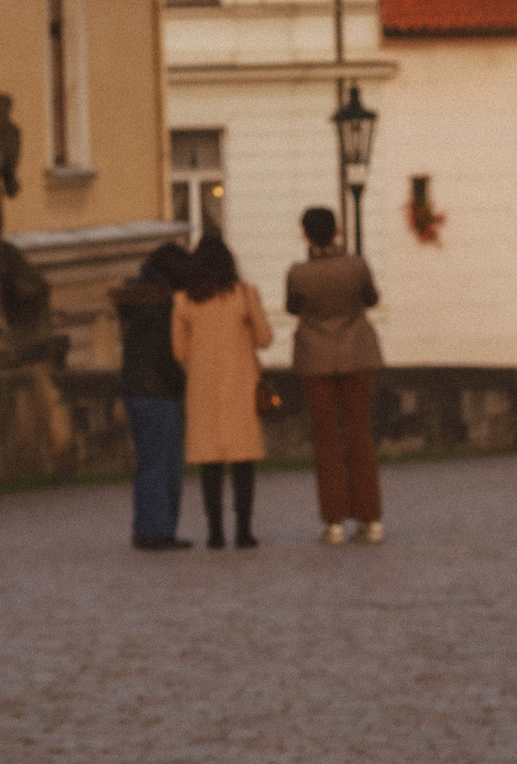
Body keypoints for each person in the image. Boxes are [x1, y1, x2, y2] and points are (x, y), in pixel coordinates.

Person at [287, 206, 385, 546]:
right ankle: (370, 518)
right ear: (337, 230)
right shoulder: (356, 266)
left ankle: (334, 522)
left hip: (315, 356)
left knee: (326, 439)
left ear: (306, 234)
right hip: (356, 352)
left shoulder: (298, 273)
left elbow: (293, 306)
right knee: (360, 434)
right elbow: (371, 298)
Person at [172, 233, 273, 550]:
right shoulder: (244, 295)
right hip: (241, 384)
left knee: (210, 463)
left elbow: (179, 351)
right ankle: (244, 530)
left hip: (203, 388)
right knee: (243, 462)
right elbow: (264, 339)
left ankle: (215, 532)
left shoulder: (183, 300)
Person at [111, 242, 194, 551]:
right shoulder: (162, 305)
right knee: (164, 465)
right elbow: (166, 355)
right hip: (157, 391)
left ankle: (146, 527)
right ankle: (159, 531)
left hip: (135, 389)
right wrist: (181, 385)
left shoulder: (137, 300)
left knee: (148, 464)